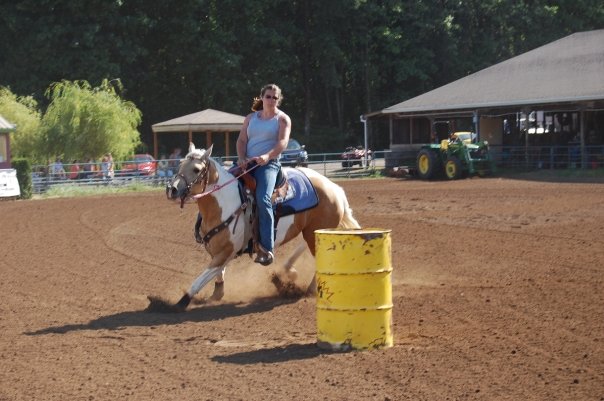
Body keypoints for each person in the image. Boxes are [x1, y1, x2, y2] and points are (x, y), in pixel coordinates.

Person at [236, 83, 291, 266]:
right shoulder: (250, 118)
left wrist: (267, 156)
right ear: (262, 98)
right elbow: (242, 139)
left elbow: (283, 142)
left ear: (278, 99)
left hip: (269, 165)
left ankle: (267, 248)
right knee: (221, 185)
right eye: (268, 96)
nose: (271, 100)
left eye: (275, 97)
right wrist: (242, 158)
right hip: (248, 164)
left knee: (263, 199)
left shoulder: (282, 119)